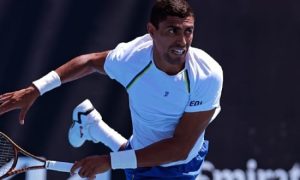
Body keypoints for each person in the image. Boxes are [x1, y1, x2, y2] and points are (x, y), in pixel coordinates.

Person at [0, 0, 223, 179]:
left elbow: (179, 148)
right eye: (172, 31)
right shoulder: (131, 59)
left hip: (183, 159)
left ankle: (94, 127)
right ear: (151, 31)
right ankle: (94, 126)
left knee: (141, 154)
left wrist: (108, 161)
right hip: (148, 154)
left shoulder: (206, 74)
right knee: (140, 154)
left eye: (188, 31)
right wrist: (36, 88)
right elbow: (88, 62)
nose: (182, 41)